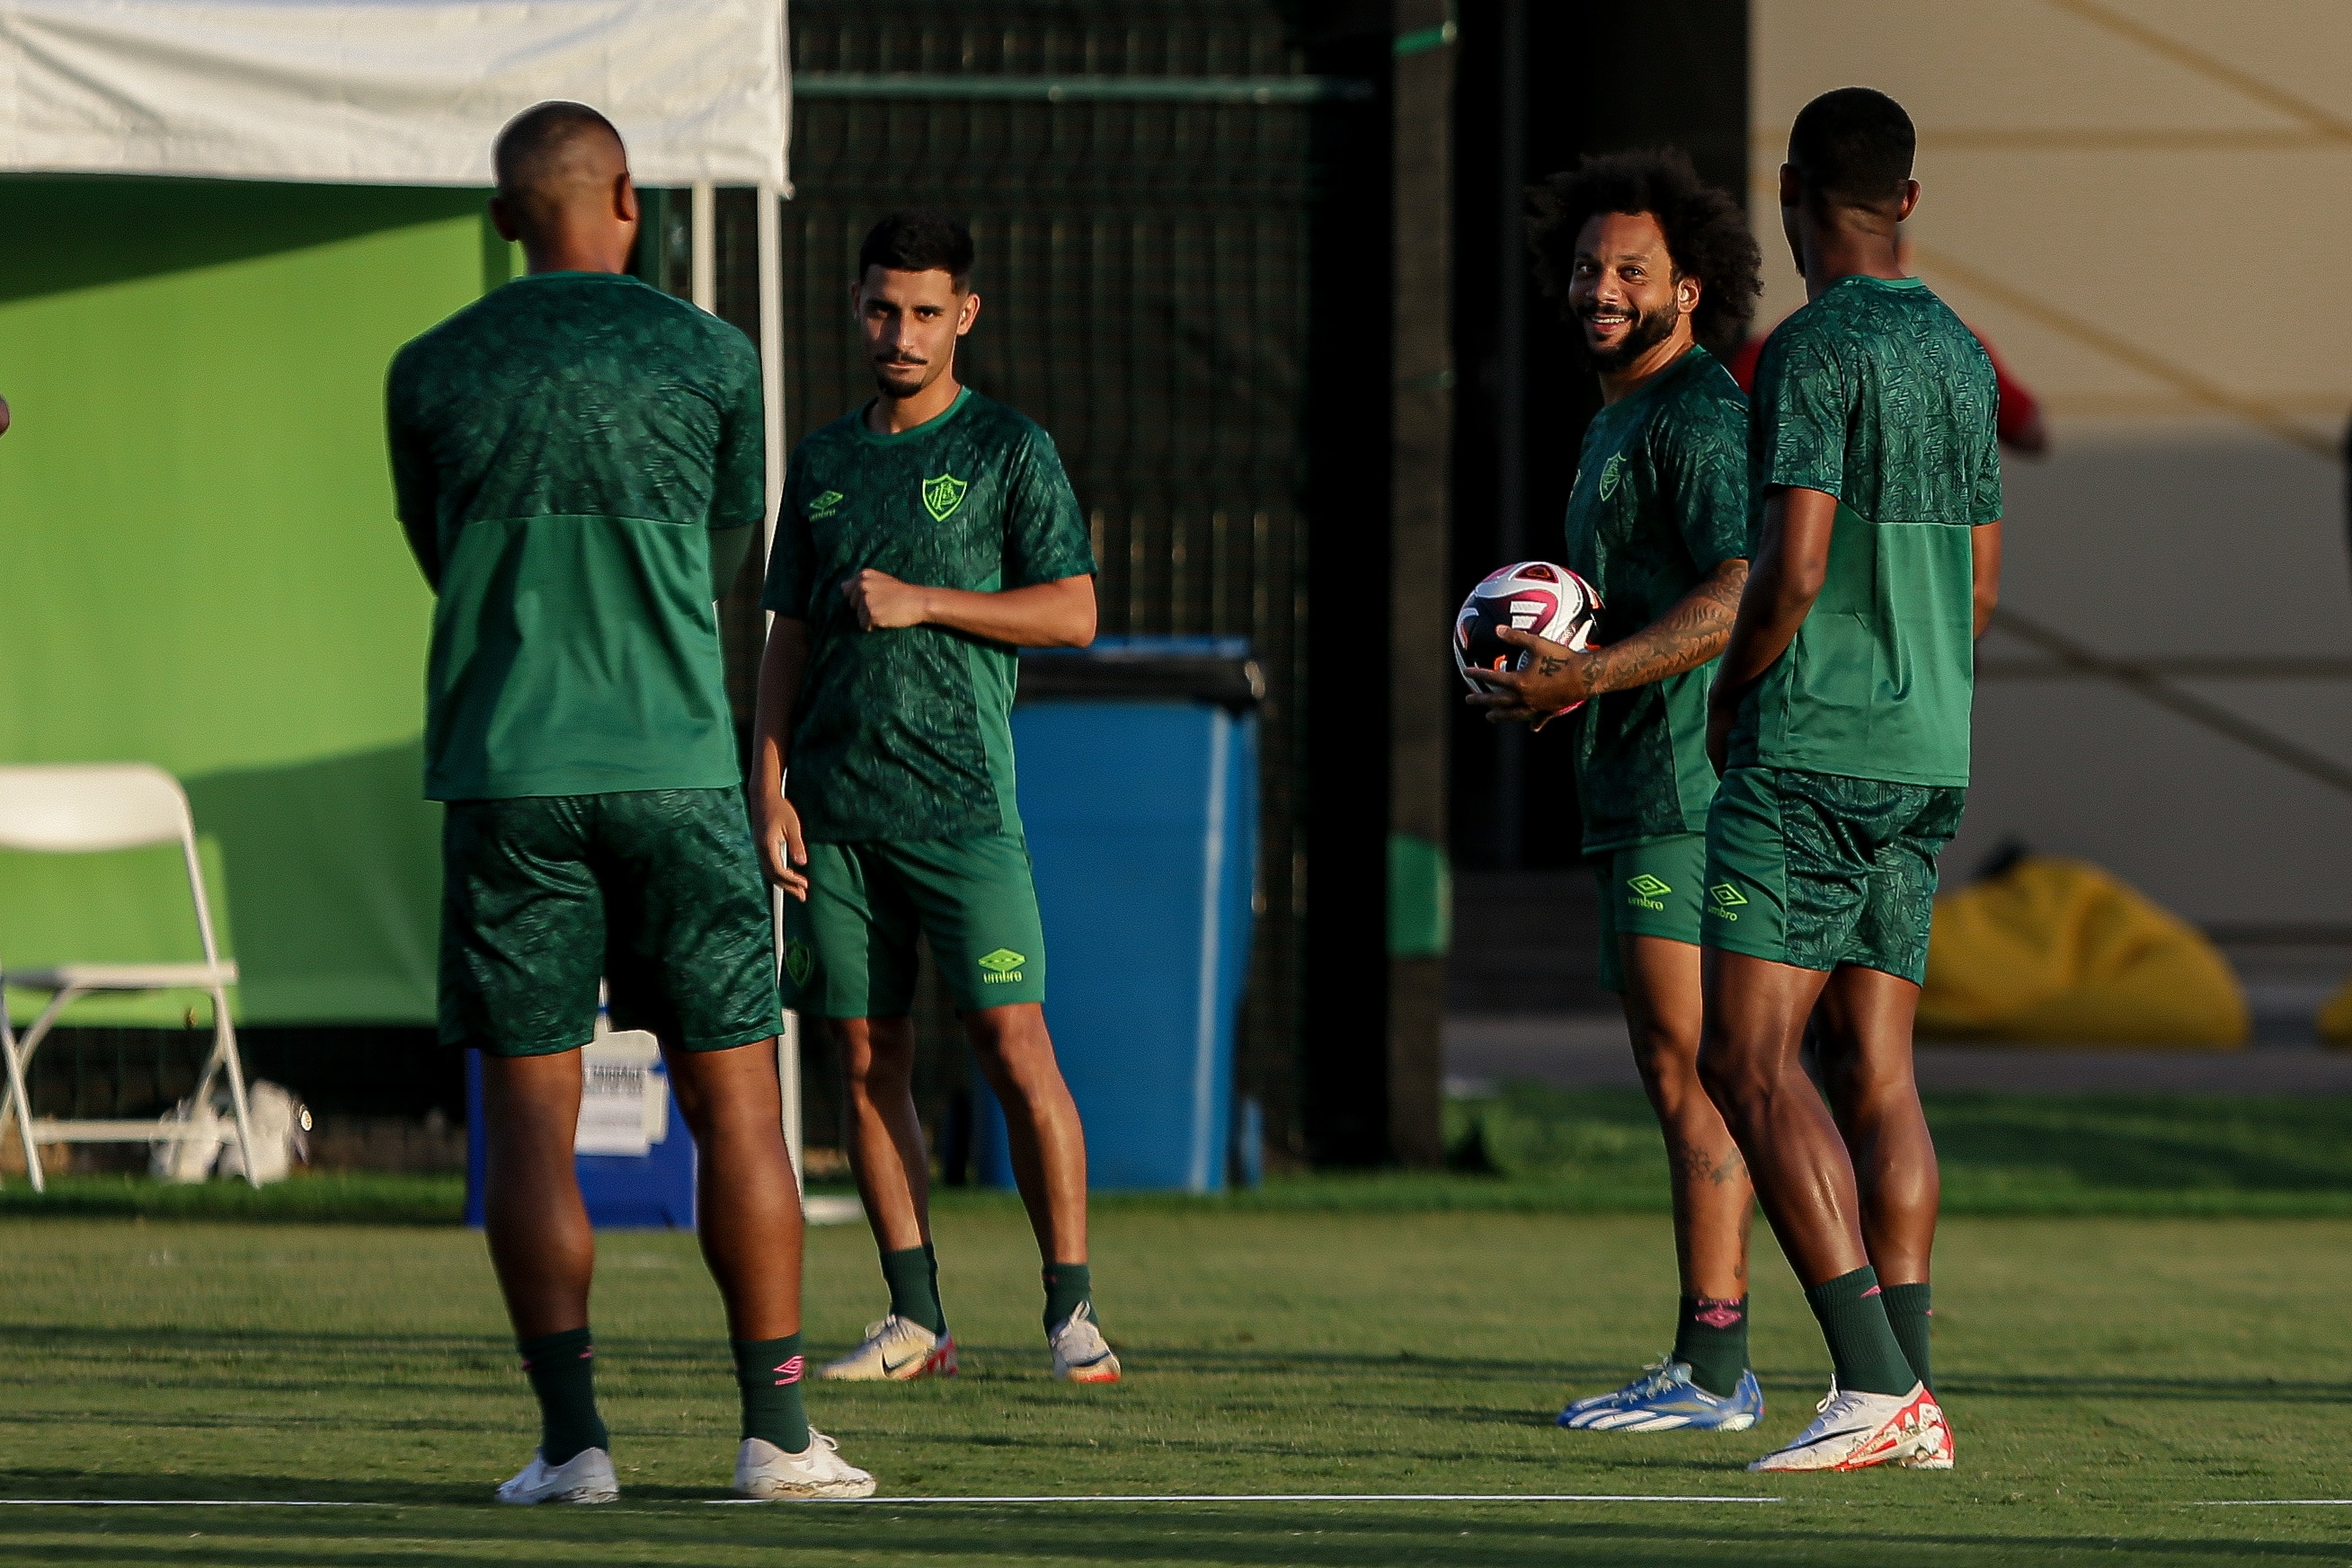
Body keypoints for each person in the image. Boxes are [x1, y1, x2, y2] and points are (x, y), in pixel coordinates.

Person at [386, 101, 874, 1505]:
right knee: (738, 1110)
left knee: (532, 1125)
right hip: (677, 769)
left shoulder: (426, 372)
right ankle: (777, 1438)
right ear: (631, 201)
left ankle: (573, 1444)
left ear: (501, 219)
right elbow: (729, 564)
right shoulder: (716, 357)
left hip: (507, 775)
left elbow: (440, 554)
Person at [750, 209, 1117, 1386]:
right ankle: (916, 1317)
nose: (897, 331)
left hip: (962, 807)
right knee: (864, 1059)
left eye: (921, 311)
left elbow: (1072, 612)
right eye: (878, 307)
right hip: (837, 816)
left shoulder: (1010, 447)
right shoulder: (819, 460)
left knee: (1015, 1046)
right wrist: (766, 781)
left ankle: (1070, 1314)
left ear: (963, 314)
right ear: (855, 306)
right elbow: (786, 634)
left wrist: (923, 599)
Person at [1697, 86, 2001, 1473]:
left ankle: (1871, 1386)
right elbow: (1984, 583)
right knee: (1873, 1070)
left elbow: (1794, 563)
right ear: (1909, 201)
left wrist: (1731, 686)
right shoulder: (1961, 354)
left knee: (1745, 1059)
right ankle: (1915, 1399)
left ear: (1789, 194)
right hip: (1928, 746)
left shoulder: (1805, 350)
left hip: (1812, 742)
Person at [1468, 148, 1764, 1432]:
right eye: (1587, 265)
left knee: (1695, 1068)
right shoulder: (1614, 415)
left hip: (1686, 789)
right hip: (1633, 778)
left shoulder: (1695, 412)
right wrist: (1562, 681)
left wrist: (1588, 669)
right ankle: (1716, 1356)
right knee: (1674, 1064)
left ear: (1687, 290)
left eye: (1630, 270)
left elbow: (1736, 586)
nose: (1601, 285)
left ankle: (1714, 1365)